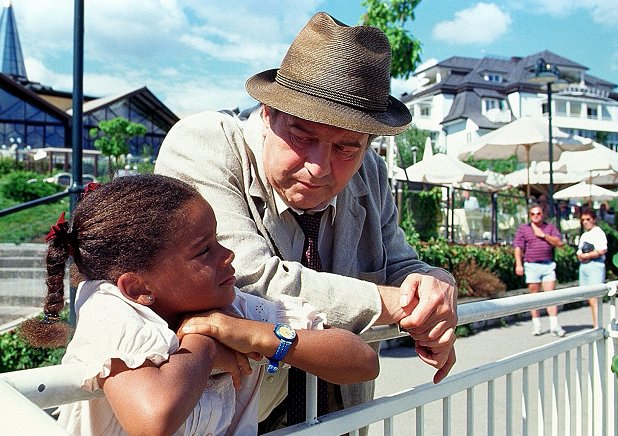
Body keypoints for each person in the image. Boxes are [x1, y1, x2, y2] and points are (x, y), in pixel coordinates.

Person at [154, 11, 457, 428]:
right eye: (302, 136)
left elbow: (400, 264)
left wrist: (437, 287)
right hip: (231, 422)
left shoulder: (370, 172)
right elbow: (248, 280)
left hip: (340, 419)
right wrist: (396, 302)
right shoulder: (205, 143)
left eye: (346, 147)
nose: (319, 167)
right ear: (267, 111)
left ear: (368, 143)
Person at [19, 175, 378, 435]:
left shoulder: (234, 308)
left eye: (217, 240)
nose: (228, 255)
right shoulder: (108, 306)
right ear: (138, 287)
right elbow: (153, 420)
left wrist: (256, 335)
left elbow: (362, 361)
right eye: (204, 250)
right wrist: (205, 342)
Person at [513, 203, 566, 337]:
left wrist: (543, 235)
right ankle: (537, 325)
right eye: (533, 214)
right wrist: (518, 264)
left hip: (547, 265)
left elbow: (559, 242)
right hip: (531, 265)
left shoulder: (550, 228)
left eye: (538, 214)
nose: (536, 216)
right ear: (529, 216)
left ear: (543, 215)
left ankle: (554, 325)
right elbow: (518, 247)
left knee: (550, 295)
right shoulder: (523, 229)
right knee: (534, 297)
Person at [576, 208, 608, 328]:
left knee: (595, 297)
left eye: (588, 219)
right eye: (583, 220)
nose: (585, 222)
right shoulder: (584, 235)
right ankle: (595, 323)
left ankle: (597, 325)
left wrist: (588, 255)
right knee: (589, 297)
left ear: (594, 220)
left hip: (595, 265)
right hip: (584, 266)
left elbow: (602, 250)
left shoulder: (598, 232)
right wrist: (581, 256)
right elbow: (579, 251)